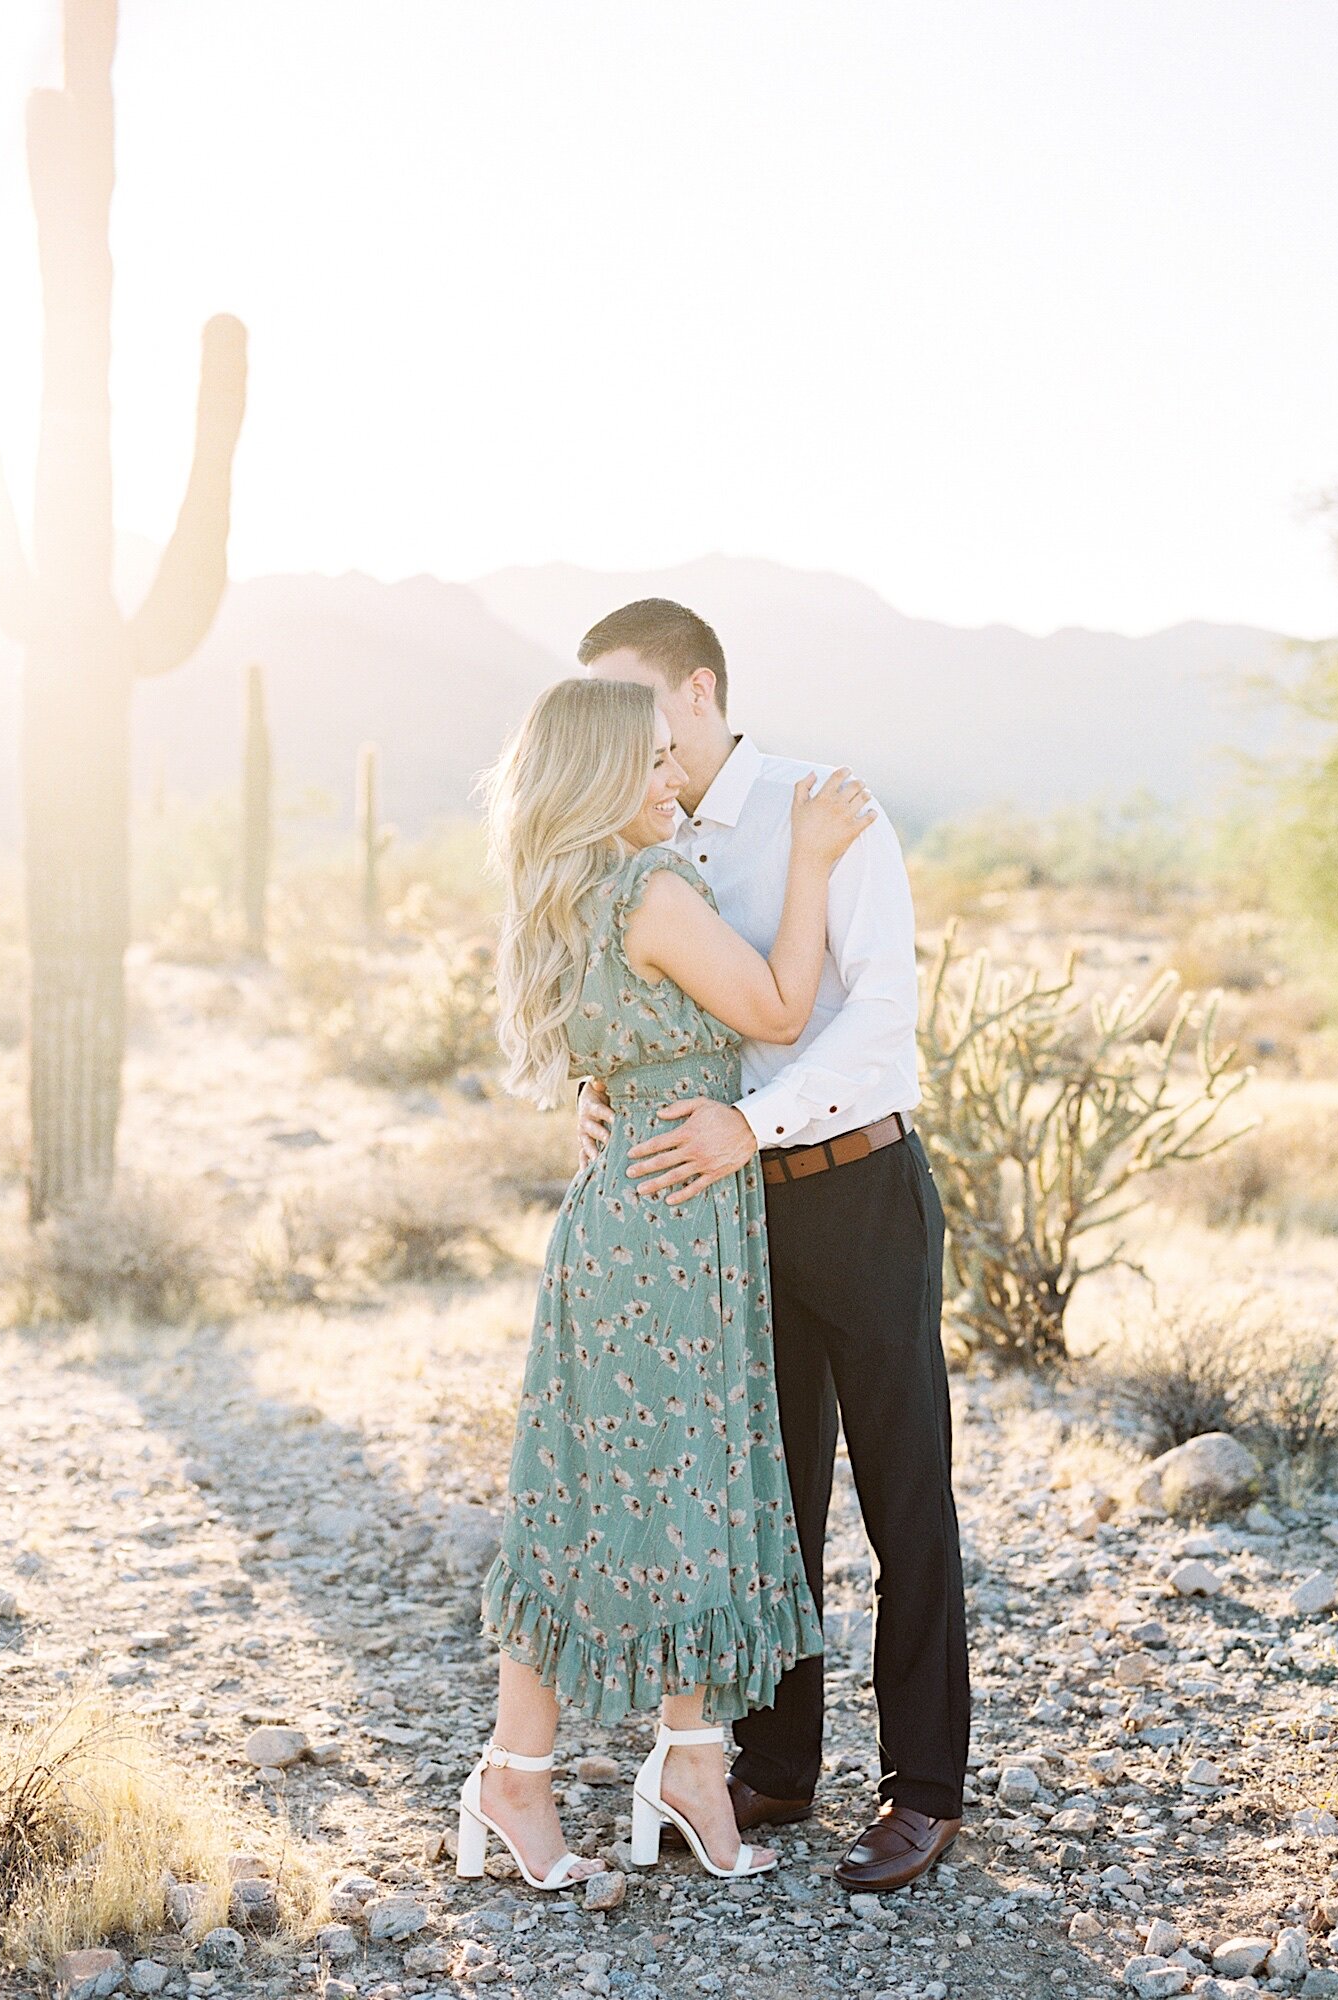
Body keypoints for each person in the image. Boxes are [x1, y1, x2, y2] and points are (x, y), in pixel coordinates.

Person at [578, 599, 971, 1892]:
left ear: (698, 690)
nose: (628, 739)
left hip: (856, 1190)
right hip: (729, 1212)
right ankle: (779, 1766)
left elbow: (878, 1034)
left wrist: (750, 1120)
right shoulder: (639, 837)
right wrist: (616, 1095)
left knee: (903, 1498)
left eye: (638, 708)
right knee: (773, 1501)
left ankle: (924, 1791)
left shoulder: (825, 809)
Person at [460, 675, 873, 1890]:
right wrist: (809, 857)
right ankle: (542, 1775)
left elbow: (612, 1059)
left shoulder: (568, 894)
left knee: (599, 1492)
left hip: (627, 1218)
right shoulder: (650, 887)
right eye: (646, 764)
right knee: (666, 1492)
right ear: (596, 778)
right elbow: (784, 1006)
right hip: (671, 1227)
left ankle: (662, 1763)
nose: (669, 779)